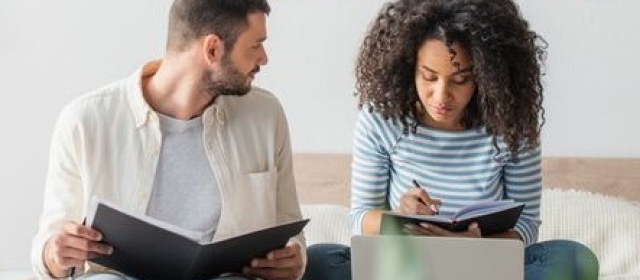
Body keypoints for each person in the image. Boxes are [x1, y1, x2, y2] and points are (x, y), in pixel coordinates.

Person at [303, 0, 599, 279]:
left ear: (487, 76)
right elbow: (360, 218)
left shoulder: (511, 124)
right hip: (407, 265)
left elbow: (526, 226)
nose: (441, 96)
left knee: (573, 258)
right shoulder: (381, 119)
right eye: (429, 77)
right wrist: (399, 218)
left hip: (483, 263)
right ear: (409, 68)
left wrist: (477, 243)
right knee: (317, 259)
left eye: (460, 80)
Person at [31, 1, 308, 279]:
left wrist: (294, 258)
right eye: (255, 45)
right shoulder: (84, 122)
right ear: (212, 49)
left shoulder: (266, 116)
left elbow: (290, 227)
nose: (264, 58)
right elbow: (49, 249)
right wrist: (55, 253)